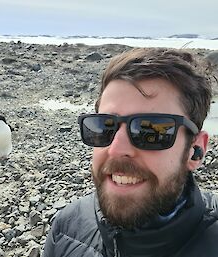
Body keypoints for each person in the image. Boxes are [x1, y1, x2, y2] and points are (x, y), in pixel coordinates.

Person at [44, 48, 218, 257]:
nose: (116, 149)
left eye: (151, 131)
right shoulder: (66, 229)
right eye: (104, 127)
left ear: (195, 149)